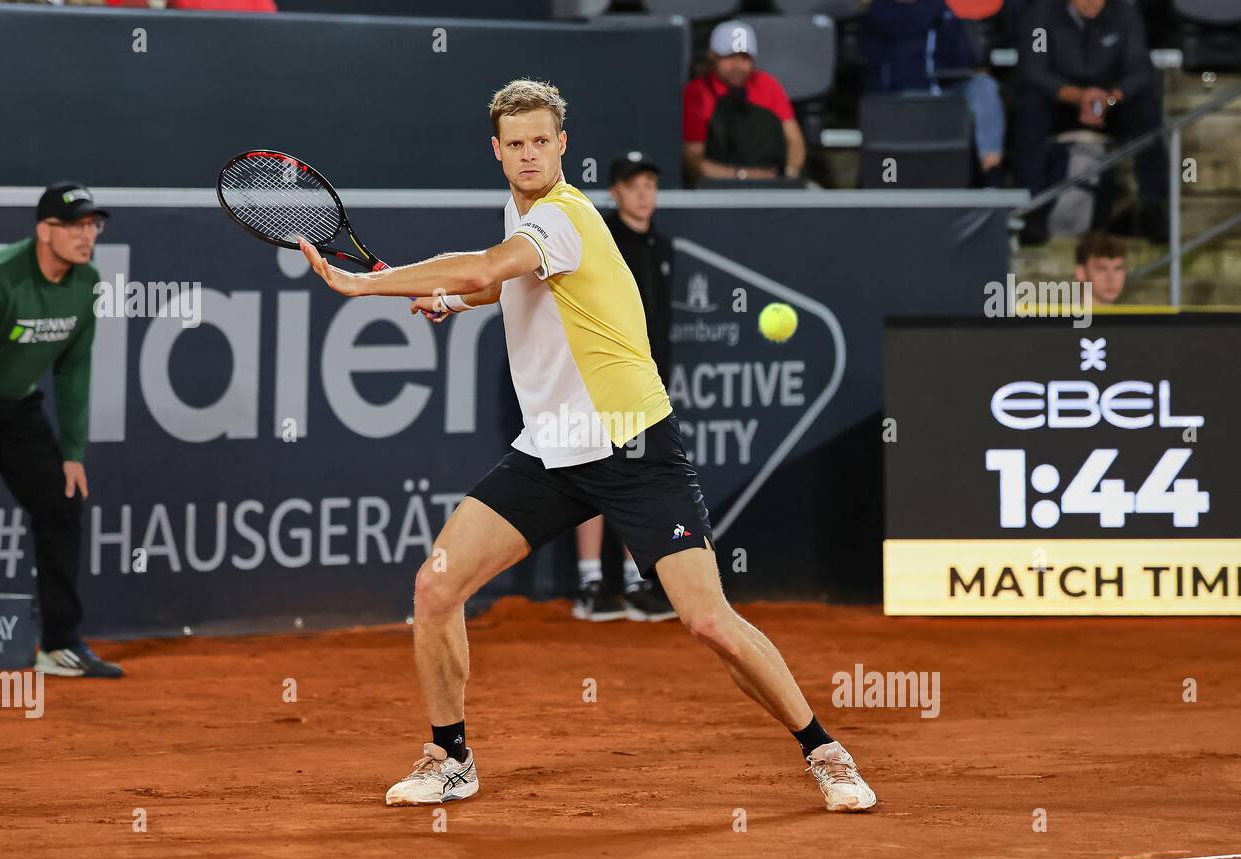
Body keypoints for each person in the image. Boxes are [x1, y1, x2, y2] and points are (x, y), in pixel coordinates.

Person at [297, 78, 877, 813]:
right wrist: (445, 298)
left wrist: (361, 287)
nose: (530, 154)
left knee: (707, 621)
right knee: (436, 585)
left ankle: (823, 749)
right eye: (516, 144)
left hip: (631, 445)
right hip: (552, 447)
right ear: (498, 151)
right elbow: (500, 285)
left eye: (543, 141)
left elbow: (484, 267)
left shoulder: (564, 217)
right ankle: (450, 756)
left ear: (563, 145)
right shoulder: (521, 211)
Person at [0, 183, 122, 678]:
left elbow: (73, 370)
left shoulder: (87, 283)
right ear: (45, 231)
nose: (88, 236)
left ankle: (60, 644)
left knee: (62, 502)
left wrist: (72, 452)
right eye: (77, 226)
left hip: (11, 405)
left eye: (94, 225)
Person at [573, 151, 677, 624]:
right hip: (594, 380)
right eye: (632, 185)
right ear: (614, 192)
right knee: (594, 474)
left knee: (636, 477)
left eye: (649, 184)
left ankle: (638, 582)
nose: (642, 194)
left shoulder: (661, 245)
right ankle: (592, 584)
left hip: (640, 385)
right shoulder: (601, 240)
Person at [1015, 0, 1168, 244]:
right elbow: (1034, 70)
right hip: (1061, 104)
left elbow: (1139, 68)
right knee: (1030, 104)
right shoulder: (1041, 14)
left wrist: (1109, 99)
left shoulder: (1125, 12)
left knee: (1145, 103)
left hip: (1109, 105)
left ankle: (1152, 205)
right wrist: (1079, 97)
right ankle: (1034, 208)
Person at [861, 0, 1007, 181]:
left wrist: (971, 66)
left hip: (945, 90)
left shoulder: (942, 10)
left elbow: (964, 56)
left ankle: (991, 169)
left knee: (984, 85)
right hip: (900, 96)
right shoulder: (880, 12)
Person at [682, 20, 808, 185]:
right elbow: (693, 160)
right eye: (730, 57)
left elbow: (794, 140)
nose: (738, 66)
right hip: (718, 187)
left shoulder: (766, 84)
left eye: (745, 57)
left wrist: (789, 177)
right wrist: (743, 176)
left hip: (772, 184)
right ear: (712, 56)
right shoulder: (697, 92)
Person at [1074, 230, 1127, 305]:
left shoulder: (1137, 314)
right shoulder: (1060, 315)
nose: (1111, 278)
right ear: (1081, 272)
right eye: (1101, 269)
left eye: (1118, 268)